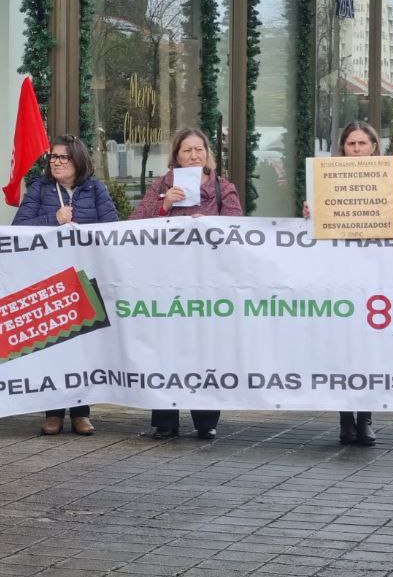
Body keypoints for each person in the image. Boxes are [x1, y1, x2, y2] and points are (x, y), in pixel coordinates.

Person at [302, 120, 393, 446]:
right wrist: (310, 213)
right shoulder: (326, 181)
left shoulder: (390, 180)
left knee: (367, 349)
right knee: (341, 349)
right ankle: (344, 418)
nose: (356, 149)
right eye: (351, 144)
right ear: (343, 149)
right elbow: (314, 228)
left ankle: (364, 418)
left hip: (374, 276)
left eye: (362, 144)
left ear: (374, 147)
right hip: (338, 275)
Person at [130, 127, 242, 440]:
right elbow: (134, 225)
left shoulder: (223, 187)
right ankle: (165, 420)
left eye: (198, 150)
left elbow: (238, 228)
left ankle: (206, 420)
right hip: (168, 281)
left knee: (205, 349)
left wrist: (209, 225)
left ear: (208, 154)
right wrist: (164, 207)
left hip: (208, 282)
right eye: (186, 151)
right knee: (166, 349)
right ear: (176, 157)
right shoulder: (163, 185)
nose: (193, 156)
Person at [13, 134, 119, 436]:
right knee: (55, 345)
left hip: (85, 278)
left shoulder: (96, 189)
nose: (56, 162)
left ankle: (81, 412)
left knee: (83, 346)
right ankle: (54, 413)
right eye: (53, 157)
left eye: (63, 157)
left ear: (78, 160)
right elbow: (19, 229)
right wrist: (53, 218)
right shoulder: (40, 189)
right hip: (51, 279)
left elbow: (112, 229)